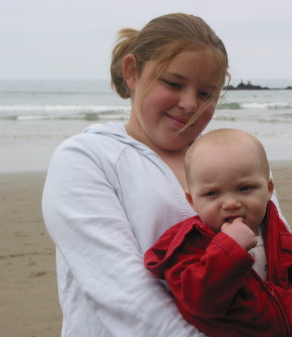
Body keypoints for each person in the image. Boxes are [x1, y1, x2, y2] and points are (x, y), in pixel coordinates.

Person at [42, 13, 233, 336]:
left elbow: (275, 259)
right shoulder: (86, 159)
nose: (189, 104)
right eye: (173, 83)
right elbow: (123, 294)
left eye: (206, 94)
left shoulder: (231, 159)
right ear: (132, 71)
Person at [145, 128, 292, 337]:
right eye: (212, 193)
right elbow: (200, 304)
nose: (231, 203)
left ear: (268, 189)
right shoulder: (188, 246)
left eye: (245, 188)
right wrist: (229, 248)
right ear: (192, 201)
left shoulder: (284, 243)